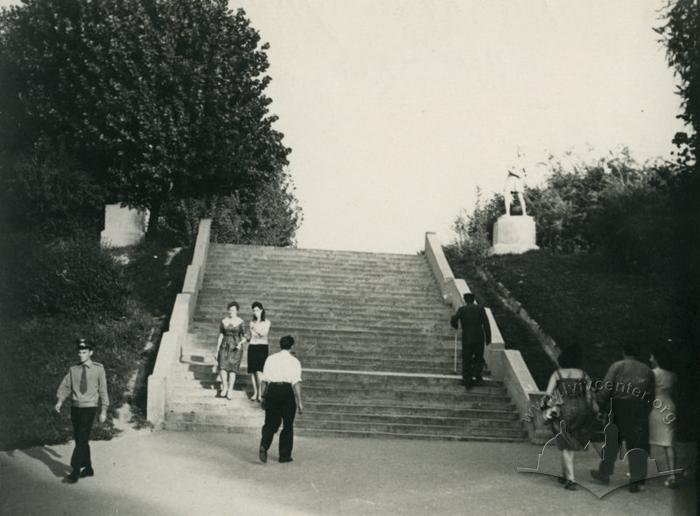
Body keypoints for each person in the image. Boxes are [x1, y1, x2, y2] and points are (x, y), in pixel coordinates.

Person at [590, 341, 655, 493]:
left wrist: (600, 404)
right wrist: (645, 410)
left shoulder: (617, 366)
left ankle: (604, 473)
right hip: (638, 409)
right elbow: (651, 395)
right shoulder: (647, 370)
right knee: (637, 443)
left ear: (624, 351)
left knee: (612, 442)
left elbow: (606, 388)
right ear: (638, 353)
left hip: (619, 406)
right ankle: (636, 480)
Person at [54, 338, 109, 484]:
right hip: (75, 408)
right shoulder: (73, 370)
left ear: (91, 353)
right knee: (80, 439)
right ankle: (89, 468)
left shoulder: (99, 369)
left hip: (90, 408)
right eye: (79, 352)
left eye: (84, 352)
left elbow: (103, 390)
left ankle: (75, 470)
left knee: (82, 437)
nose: (81, 355)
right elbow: (65, 386)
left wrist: (104, 410)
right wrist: (60, 401)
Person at [543, 345, 598, 490]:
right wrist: (592, 411)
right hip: (581, 409)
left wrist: (547, 407)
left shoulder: (557, 374)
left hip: (564, 409)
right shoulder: (584, 374)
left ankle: (571, 480)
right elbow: (589, 396)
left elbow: (548, 394)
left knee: (565, 444)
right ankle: (564, 474)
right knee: (569, 443)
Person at [258, 335, 303, 464]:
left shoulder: (270, 359)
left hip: (272, 391)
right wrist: (299, 401)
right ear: (292, 346)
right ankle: (284, 455)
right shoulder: (295, 361)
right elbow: (296, 383)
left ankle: (264, 445)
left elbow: (264, 380)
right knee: (288, 424)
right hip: (286, 391)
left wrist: (262, 397)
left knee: (270, 422)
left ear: (280, 345)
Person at [649, 341, 679, 488]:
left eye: (652, 356)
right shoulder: (673, 375)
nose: (650, 359)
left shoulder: (653, 373)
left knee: (647, 437)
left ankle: (637, 471)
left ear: (657, 358)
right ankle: (672, 474)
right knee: (669, 441)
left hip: (656, 406)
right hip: (669, 405)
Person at [450, 292, 491, 389]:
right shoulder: (480, 309)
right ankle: (477, 376)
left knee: (467, 357)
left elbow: (453, 319)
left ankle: (467, 379)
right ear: (473, 299)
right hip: (479, 335)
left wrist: (455, 325)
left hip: (467, 336)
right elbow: (486, 323)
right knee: (478, 356)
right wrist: (488, 337)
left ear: (465, 300)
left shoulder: (462, 309)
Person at [215, 301, 246, 400]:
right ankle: (225, 387)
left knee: (233, 369)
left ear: (237, 311)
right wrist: (217, 349)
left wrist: (240, 344)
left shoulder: (241, 322)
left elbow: (245, 336)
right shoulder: (224, 321)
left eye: (233, 310)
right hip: (224, 345)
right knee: (222, 367)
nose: (231, 311)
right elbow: (221, 335)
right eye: (230, 309)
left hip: (235, 347)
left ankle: (230, 390)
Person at [247, 301, 271, 402]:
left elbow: (263, 334)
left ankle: (261, 394)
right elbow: (250, 337)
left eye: (257, 310)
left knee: (259, 371)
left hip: (262, 347)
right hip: (252, 346)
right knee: (252, 371)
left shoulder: (267, 322)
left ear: (261, 310)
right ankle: (255, 392)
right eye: (254, 311)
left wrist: (254, 327)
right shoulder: (251, 322)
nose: (255, 312)